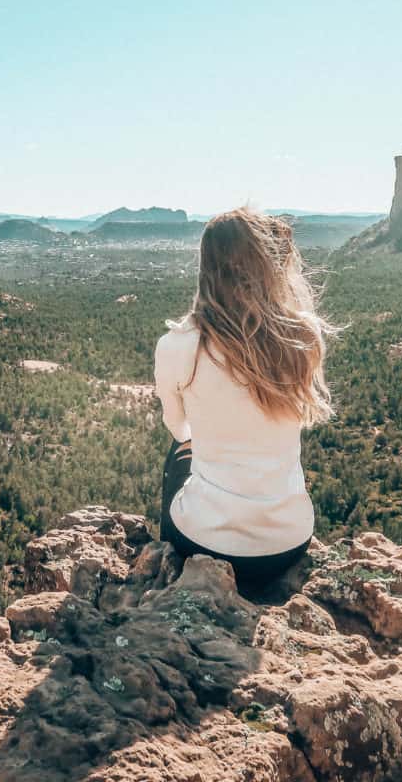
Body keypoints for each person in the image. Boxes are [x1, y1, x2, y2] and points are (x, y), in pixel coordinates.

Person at [155, 207, 337, 587]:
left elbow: (178, 427)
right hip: (289, 543)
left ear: (207, 266)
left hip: (205, 544)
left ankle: (168, 576)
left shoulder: (180, 345)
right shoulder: (304, 336)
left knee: (178, 455)